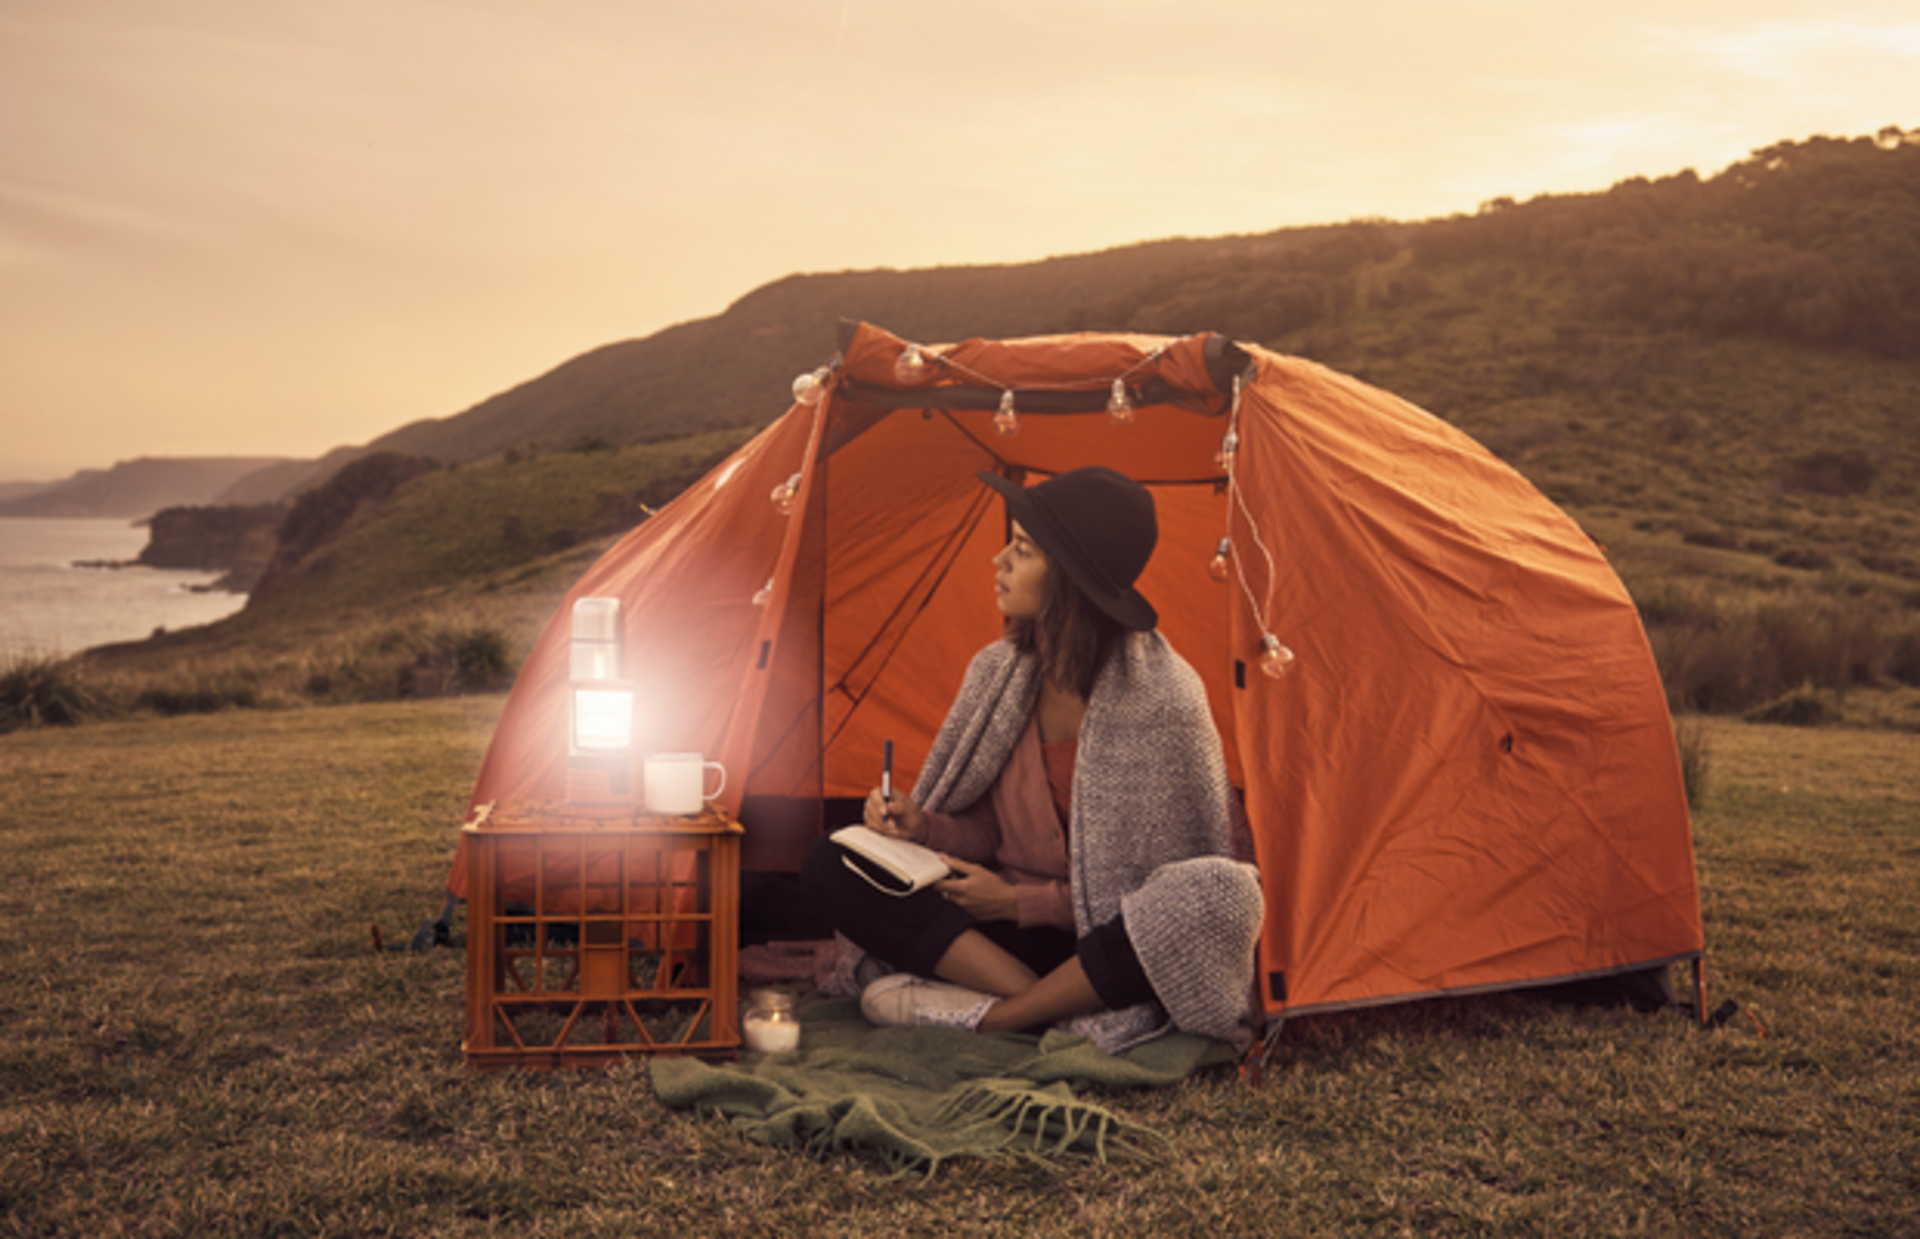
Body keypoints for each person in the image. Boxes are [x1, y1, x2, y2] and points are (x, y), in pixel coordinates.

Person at [800, 466, 1264, 1053]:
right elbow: (990, 828)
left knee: (1218, 893)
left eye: (1021, 550)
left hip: (1099, 945)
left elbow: (1157, 891)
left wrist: (1019, 901)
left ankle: (998, 1019)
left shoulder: (1164, 698)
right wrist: (926, 827)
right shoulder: (997, 674)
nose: (998, 561)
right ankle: (1047, 1007)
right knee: (830, 860)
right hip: (994, 944)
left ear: (1069, 578)